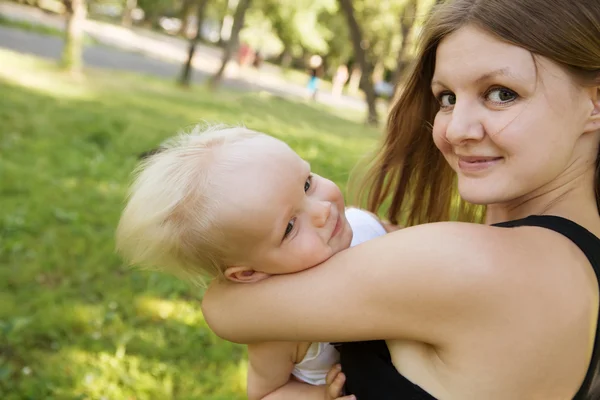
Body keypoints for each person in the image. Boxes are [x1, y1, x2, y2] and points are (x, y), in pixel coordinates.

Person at [200, 0, 600, 399]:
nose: (455, 128)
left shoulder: (472, 262)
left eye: (501, 93)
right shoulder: (579, 264)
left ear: (595, 102)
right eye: (447, 98)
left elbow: (226, 306)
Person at [115, 125, 396, 399]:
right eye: (289, 227)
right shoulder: (281, 325)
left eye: (307, 184)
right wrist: (320, 395)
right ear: (248, 273)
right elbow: (266, 392)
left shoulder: (363, 224)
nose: (323, 210)